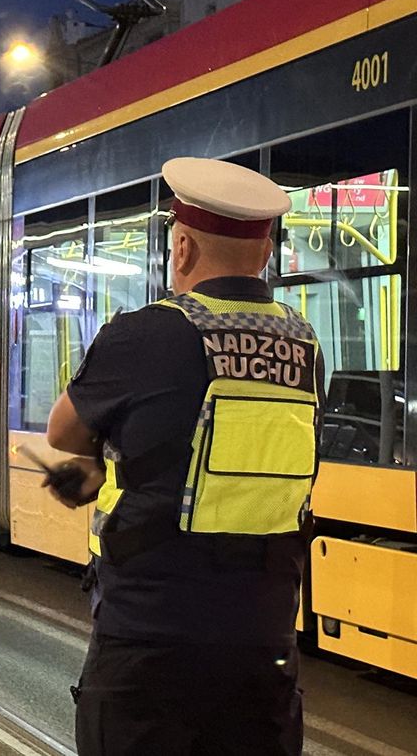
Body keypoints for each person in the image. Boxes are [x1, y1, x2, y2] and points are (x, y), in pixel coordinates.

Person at [44, 156, 325, 756]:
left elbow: (63, 431)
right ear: (266, 251)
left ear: (182, 248)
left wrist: (100, 462)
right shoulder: (305, 347)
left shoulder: (146, 333)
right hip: (264, 642)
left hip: (151, 642)